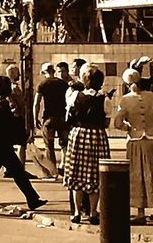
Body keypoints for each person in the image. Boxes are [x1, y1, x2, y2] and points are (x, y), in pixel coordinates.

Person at [0, 76, 45, 215]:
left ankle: (33, 199)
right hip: (2, 144)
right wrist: (20, 131)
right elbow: (9, 125)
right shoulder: (3, 104)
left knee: (16, 172)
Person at [63, 68, 110, 226]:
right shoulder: (105, 99)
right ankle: (93, 212)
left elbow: (69, 115)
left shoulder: (75, 96)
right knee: (95, 175)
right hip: (97, 135)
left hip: (78, 134)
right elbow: (106, 123)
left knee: (77, 174)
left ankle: (77, 212)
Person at [114, 70, 153, 224]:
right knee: (152, 173)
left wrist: (128, 128)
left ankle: (140, 212)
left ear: (126, 83)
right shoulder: (151, 96)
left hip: (135, 140)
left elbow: (117, 123)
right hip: (152, 139)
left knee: (137, 175)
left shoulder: (125, 100)